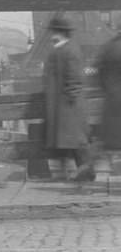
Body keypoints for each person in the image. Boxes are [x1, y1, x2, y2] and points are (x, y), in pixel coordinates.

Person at [42, 13, 92, 182]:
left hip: (68, 105)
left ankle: (86, 171)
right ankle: (80, 172)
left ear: (60, 32)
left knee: (76, 139)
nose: (51, 35)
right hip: (61, 104)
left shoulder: (70, 50)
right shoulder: (61, 49)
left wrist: (71, 98)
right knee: (71, 139)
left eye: (53, 31)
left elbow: (75, 79)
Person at [94, 24, 121, 160]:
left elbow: (99, 72)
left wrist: (107, 88)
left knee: (113, 141)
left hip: (112, 98)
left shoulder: (108, 47)